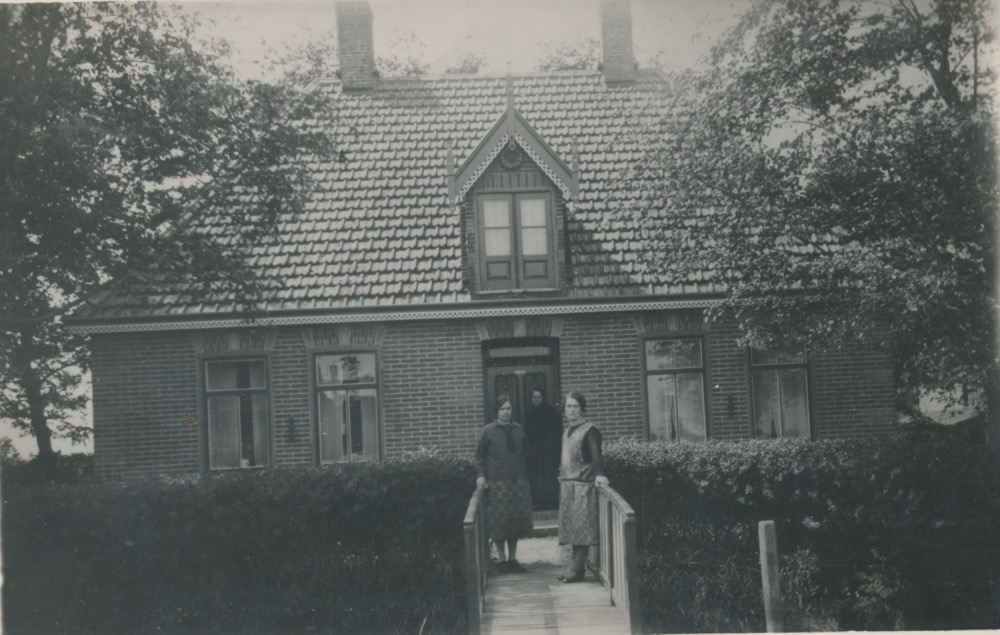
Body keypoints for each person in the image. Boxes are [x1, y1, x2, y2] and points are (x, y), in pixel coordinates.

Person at [475, 394, 534, 573]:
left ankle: (513, 559)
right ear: (497, 411)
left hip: (517, 482)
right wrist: (481, 476)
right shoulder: (488, 431)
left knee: (514, 522)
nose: (506, 412)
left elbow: (525, 453)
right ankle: (501, 561)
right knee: (499, 522)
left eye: (508, 409)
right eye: (502, 409)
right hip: (497, 484)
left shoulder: (519, 429)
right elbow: (479, 458)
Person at [556, 391, 608, 583]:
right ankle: (575, 568)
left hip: (583, 487)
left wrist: (599, 474)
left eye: (575, 406)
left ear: (582, 408)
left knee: (582, 528)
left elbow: (596, 456)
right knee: (573, 529)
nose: (572, 410)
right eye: (568, 406)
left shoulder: (590, 430)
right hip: (568, 486)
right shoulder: (566, 432)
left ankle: (577, 569)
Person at [523, 388, 563, 509]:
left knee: (549, 474)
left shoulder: (550, 412)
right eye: (534, 397)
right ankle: (538, 501)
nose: (536, 399)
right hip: (535, 450)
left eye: (538, 397)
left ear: (542, 398)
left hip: (549, 449)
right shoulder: (528, 414)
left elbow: (557, 430)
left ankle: (552, 502)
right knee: (536, 474)